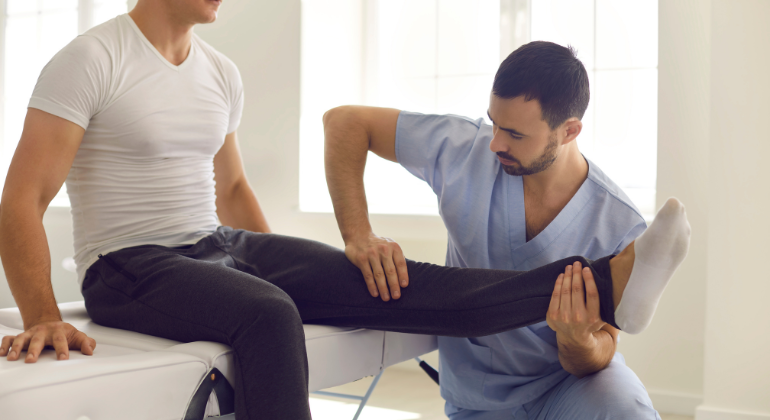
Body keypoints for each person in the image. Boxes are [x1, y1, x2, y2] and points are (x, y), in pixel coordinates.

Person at [0, 0, 690, 418]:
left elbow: (233, 190)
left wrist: (270, 269)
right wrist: (42, 316)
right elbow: (22, 197)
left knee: (385, 280)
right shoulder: (91, 59)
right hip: (127, 264)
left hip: (215, 241)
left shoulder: (220, 73)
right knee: (267, 314)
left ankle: (607, 285)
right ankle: (608, 280)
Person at [323, 41, 688, 419]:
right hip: (480, 397)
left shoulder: (615, 220)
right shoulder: (463, 148)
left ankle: (615, 278)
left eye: (515, 134)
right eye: (494, 123)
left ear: (569, 131)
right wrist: (358, 234)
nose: (495, 142)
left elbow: (598, 354)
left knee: (628, 411)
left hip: (570, 385)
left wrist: (576, 340)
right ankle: (610, 275)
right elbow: (344, 121)